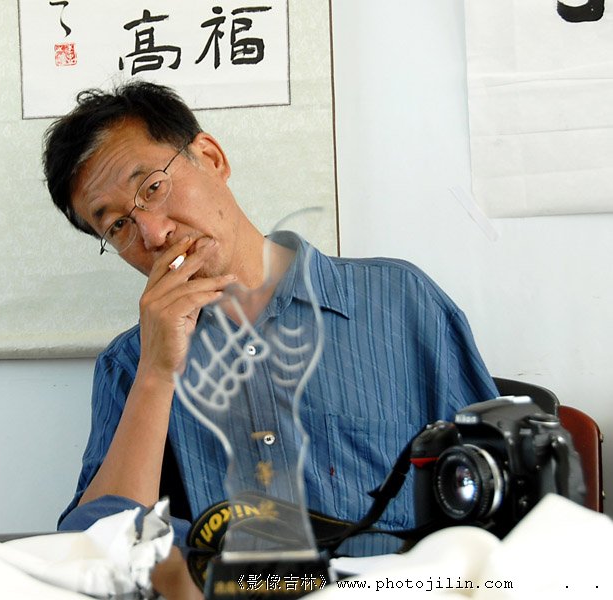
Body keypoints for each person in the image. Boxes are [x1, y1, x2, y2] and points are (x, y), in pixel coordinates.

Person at [42, 80, 498, 558]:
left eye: (153, 187)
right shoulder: (129, 363)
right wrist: (157, 372)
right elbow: (94, 548)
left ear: (211, 158)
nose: (153, 234)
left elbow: (500, 492)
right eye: (117, 225)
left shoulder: (399, 301)